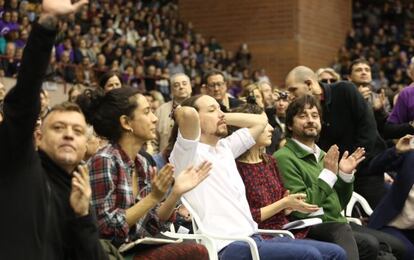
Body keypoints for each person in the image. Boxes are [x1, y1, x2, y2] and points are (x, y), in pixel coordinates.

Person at [169, 94, 347, 260]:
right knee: (311, 256)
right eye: (212, 110)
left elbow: (260, 122)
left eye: (220, 108)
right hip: (226, 245)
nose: (220, 114)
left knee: (336, 253)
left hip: (254, 236)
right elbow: (186, 113)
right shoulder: (187, 153)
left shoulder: (225, 148)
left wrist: (222, 115)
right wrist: (181, 111)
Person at [0, 0, 108, 259]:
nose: (69, 134)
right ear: (39, 136)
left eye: (78, 131)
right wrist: (47, 24)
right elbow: (24, 99)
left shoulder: (80, 193)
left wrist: (82, 218)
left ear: (86, 146)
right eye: (58, 127)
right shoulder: (18, 162)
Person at [77, 87, 210, 259]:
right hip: (109, 254)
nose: (155, 119)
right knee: (195, 251)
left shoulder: (142, 164)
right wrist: (153, 198)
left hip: (137, 248)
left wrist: (176, 193)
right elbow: (106, 228)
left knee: (194, 249)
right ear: (126, 122)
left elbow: (153, 223)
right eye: (147, 112)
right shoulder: (104, 160)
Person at [274, 95, 405, 260]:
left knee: (398, 248)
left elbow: (339, 203)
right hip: (308, 226)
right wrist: (329, 174)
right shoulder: (284, 157)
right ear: (290, 125)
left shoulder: (324, 156)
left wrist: (344, 175)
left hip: (338, 222)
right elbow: (302, 208)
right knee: (369, 245)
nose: (310, 120)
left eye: (315, 116)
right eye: (302, 116)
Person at [285, 65, 387, 208]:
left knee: (375, 218)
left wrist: (352, 164)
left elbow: (368, 130)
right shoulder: (308, 112)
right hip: (338, 175)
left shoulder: (345, 90)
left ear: (309, 84)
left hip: (367, 168)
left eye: (293, 90)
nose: (290, 96)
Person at [233, 102, 320, 239]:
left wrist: (289, 206)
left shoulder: (270, 161)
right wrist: (283, 203)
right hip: (260, 235)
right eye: (264, 125)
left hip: (284, 229)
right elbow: (246, 217)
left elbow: (282, 208)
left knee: (333, 250)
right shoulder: (235, 167)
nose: (271, 129)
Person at [368, 135, 414, 260]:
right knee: (409, 252)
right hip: (390, 225)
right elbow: (374, 167)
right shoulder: (410, 154)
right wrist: (396, 150)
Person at [153, 73, 192, 155]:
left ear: (190, 87)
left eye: (184, 84)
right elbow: (153, 139)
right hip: (166, 161)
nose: (181, 87)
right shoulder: (161, 111)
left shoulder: (200, 107)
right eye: (176, 85)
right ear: (171, 90)